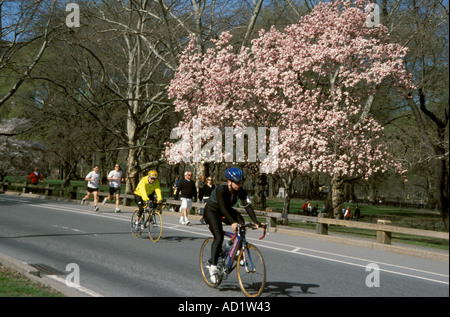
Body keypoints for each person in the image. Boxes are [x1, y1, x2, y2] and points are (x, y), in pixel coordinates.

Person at [203, 167, 261, 283]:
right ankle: (213, 268)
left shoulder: (240, 191)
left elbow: (247, 206)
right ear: (229, 181)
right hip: (212, 212)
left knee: (242, 223)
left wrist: (256, 221)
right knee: (218, 237)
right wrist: (232, 222)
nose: (239, 185)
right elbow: (223, 208)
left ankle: (237, 249)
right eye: (237, 182)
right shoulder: (221, 189)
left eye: (240, 182)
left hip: (226, 211)